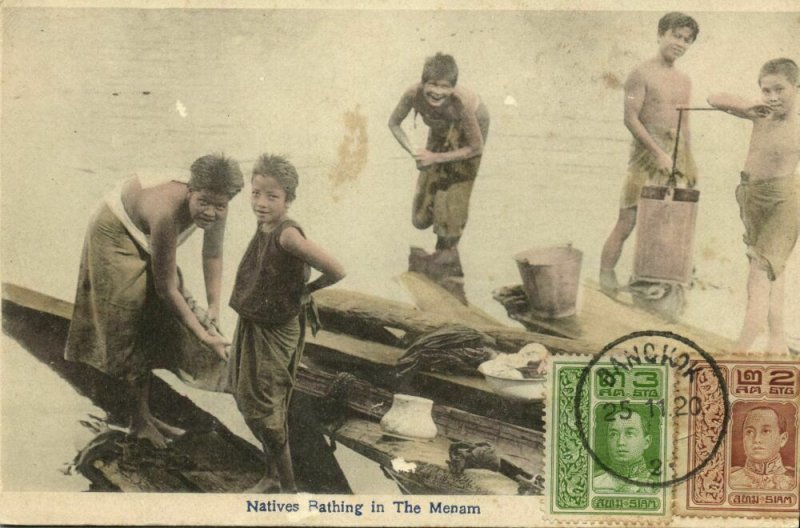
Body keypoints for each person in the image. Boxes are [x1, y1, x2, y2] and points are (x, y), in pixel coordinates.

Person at [65, 154, 244, 449]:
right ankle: (138, 422)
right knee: (132, 314)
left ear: (229, 201)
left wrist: (213, 308)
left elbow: (212, 255)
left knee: (170, 310)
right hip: (114, 229)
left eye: (220, 206)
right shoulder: (166, 213)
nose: (211, 212)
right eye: (204, 202)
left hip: (143, 219)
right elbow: (166, 289)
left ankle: (146, 415)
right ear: (190, 191)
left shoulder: (217, 207)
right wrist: (202, 335)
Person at [227, 154, 345, 493]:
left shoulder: (288, 235)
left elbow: (337, 269)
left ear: (288, 200)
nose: (261, 203)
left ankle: (289, 489)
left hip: (277, 328)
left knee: (268, 406)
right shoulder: (263, 224)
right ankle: (272, 475)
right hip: (255, 321)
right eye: (256, 194)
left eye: (272, 197)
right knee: (250, 397)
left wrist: (307, 291)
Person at [600, 13, 699, 295]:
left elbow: (685, 124)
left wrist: (689, 161)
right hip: (645, 154)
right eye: (675, 36)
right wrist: (656, 153)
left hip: (673, 155)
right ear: (660, 35)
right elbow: (630, 118)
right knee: (628, 219)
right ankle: (606, 276)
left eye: (686, 40)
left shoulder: (684, 80)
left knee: (664, 221)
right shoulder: (641, 73)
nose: (680, 43)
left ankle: (649, 279)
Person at [707, 58, 799, 355]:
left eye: (779, 90)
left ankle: (741, 348)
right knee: (774, 270)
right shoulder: (760, 115)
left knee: (760, 271)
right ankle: (777, 341)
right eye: (766, 90)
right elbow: (713, 98)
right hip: (750, 195)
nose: (772, 97)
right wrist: (748, 107)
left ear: (797, 87)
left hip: (784, 200)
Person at [388, 52, 490, 278]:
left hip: (471, 134)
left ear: (453, 88)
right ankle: (441, 248)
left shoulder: (461, 102)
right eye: (432, 84)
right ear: (422, 82)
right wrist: (415, 152)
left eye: (445, 87)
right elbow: (394, 123)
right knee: (421, 215)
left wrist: (436, 157)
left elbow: (476, 148)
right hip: (441, 124)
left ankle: (447, 256)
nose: (437, 92)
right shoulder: (412, 94)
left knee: (453, 191)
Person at [592, 409, 659, 493]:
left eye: (629, 434)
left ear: (647, 442)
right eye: (614, 434)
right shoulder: (594, 482)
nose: (620, 442)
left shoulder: (660, 482)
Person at [730, 406, 796, 490]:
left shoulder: (794, 481)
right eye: (749, 432)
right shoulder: (728, 480)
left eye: (766, 431)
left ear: (782, 439)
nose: (756, 439)